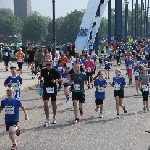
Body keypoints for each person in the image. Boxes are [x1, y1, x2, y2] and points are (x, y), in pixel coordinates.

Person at [40, 60, 62, 126]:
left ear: (52, 64)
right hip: (46, 88)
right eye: (47, 65)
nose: (48, 66)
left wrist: (56, 80)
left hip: (53, 88)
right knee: (45, 104)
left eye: (49, 64)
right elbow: (41, 77)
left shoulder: (55, 71)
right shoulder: (43, 70)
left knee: (53, 104)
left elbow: (61, 79)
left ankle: (54, 117)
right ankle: (47, 119)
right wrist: (41, 81)